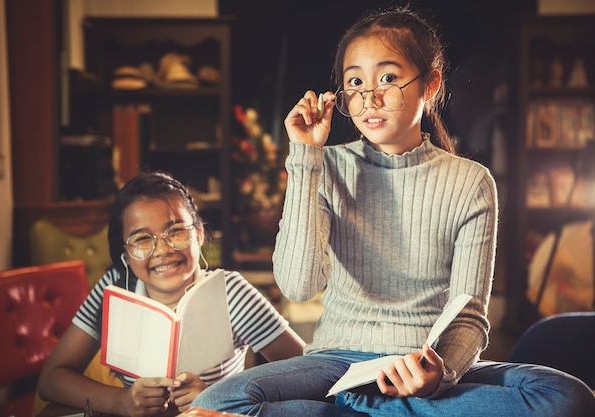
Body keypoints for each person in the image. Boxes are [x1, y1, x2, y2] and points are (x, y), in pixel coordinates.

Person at [191, 6, 595, 417]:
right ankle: (383, 406)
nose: (370, 97)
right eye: (355, 81)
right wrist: (305, 155)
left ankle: (363, 408)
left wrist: (439, 376)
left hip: (423, 362)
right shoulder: (326, 165)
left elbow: (469, 314)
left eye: (388, 77)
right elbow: (298, 285)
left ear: (431, 84)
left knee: (566, 397)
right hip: (335, 363)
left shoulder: (472, 182)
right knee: (217, 402)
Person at [38, 171, 305, 417]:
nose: (163, 249)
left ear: (199, 234)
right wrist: (121, 400)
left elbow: (311, 375)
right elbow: (51, 380)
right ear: (126, 254)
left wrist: (218, 399)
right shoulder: (117, 287)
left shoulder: (231, 293)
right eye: (142, 239)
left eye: (176, 231)